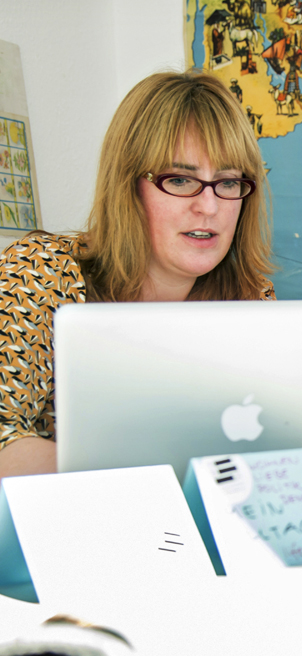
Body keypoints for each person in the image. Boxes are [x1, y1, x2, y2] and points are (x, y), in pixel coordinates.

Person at [0, 70, 275, 479]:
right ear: (128, 185)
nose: (209, 207)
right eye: (180, 179)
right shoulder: (39, 271)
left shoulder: (250, 295)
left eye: (228, 181)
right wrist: (155, 476)